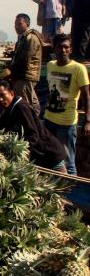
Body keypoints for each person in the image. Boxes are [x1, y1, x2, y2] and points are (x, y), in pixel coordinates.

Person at [0, 80, 67, 172]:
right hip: (39, 159)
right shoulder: (7, 110)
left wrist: (21, 155)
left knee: (62, 185)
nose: (0, 99)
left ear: (11, 93)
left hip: (49, 155)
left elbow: (33, 135)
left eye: (3, 95)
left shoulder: (21, 107)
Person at [42, 34, 90, 175]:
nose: (63, 50)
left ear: (70, 49)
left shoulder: (78, 69)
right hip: (49, 119)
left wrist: (88, 120)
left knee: (69, 162)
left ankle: (71, 192)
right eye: (60, 47)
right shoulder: (50, 65)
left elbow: (86, 96)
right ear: (54, 48)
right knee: (51, 158)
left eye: (66, 47)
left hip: (67, 123)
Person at [8, 13, 43, 115]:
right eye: (15, 24)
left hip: (25, 75)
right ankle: (36, 122)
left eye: (19, 23)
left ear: (27, 24)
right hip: (24, 75)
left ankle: (30, 125)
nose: (16, 26)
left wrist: (11, 70)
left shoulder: (30, 38)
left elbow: (25, 58)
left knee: (25, 104)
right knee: (32, 102)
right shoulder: (22, 38)